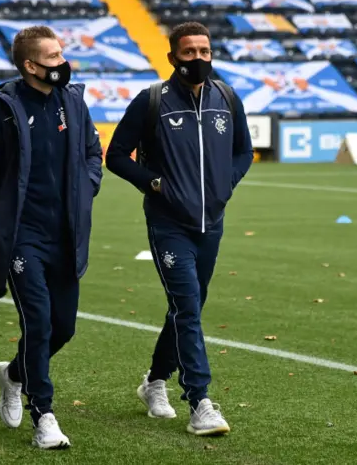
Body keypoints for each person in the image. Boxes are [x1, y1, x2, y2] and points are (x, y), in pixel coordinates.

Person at [0, 26, 102, 449]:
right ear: (30, 65)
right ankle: (45, 416)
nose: (63, 61)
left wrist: (86, 186)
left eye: (61, 53)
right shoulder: (1, 111)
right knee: (37, 322)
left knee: (64, 328)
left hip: (68, 234)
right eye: (54, 56)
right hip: (21, 237)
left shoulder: (73, 100)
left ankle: (13, 374)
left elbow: (93, 152)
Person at [106, 21, 253, 436]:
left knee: (186, 308)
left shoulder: (227, 97)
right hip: (169, 223)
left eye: (204, 51)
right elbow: (116, 155)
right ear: (172, 57)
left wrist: (227, 182)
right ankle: (200, 402)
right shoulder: (152, 100)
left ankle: (154, 382)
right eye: (189, 52)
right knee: (188, 308)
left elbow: (244, 150)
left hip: (212, 224)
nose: (198, 59)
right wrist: (154, 184)